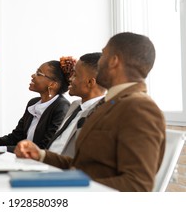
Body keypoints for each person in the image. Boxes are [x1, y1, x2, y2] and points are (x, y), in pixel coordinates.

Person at [15, 32, 166, 192]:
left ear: (114, 60)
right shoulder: (107, 103)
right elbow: (81, 166)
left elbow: (137, 186)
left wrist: (70, 186)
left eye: (104, 55)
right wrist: (41, 155)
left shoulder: (140, 108)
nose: (99, 62)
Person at [0, 58, 74, 152]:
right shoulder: (33, 103)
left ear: (53, 84)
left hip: (42, 167)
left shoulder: (62, 107)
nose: (33, 75)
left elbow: (44, 147)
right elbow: (15, 138)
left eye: (39, 73)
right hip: (24, 161)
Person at [46, 52, 106, 156]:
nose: (70, 79)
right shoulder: (75, 105)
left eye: (75, 75)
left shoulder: (101, 114)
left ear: (90, 83)